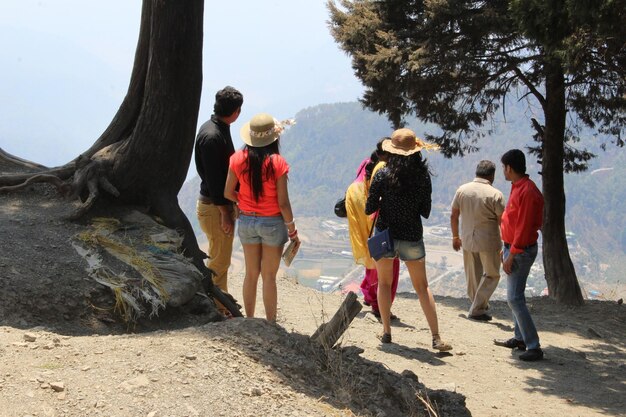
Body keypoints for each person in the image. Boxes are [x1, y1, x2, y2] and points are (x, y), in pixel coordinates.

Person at [365, 128, 452, 351]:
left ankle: (386, 332)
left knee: (384, 283)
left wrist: (382, 197)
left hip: (386, 235)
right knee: (422, 287)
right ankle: (435, 336)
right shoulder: (422, 177)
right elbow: (426, 211)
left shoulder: (382, 174)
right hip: (412, 235)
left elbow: (369, 208)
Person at [224, 113, 299, 322]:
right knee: (268, 277)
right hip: (273, 223)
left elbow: (228, 192)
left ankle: (249, 319)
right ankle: (271, 323)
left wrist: (241, 202)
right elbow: (283, 203)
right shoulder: (278, 163)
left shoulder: (237, 159)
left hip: (247, 221)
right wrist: (292, 230)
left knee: (251, 273)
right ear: (273, 138)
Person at [194, 86, 243, 315]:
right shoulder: (214, 136)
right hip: (215, 208)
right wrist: (226, 213)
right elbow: (215, 181)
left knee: (220, 259)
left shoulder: (216, 128)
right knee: (219, 262)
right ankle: (215, 308)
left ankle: (221, 306)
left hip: (215, 206)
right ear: (236, 111)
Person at [494, 149, 544, 361]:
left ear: (510, 168)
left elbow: (524, 228)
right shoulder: (518, 187)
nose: (503, 171)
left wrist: (512, 254)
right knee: (515, 296)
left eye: (504, 167)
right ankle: (520, 337)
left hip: (520, 250)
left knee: (514, 298)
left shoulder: (528, 192)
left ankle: (533, 345)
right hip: (512, 247)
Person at [346, 140, 400, 319]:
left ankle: (370, 294)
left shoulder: (368, 163)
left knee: (373, 254)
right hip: (371, 212)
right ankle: (380, 306)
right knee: (386, 260)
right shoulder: (384, 167)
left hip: (355, 202)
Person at [450, 160, 505, 321]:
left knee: (473, 275)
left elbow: (454, 215)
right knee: (492, 274)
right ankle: (478, 308)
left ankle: (477, 304)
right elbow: (502, 221)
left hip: (467, 239)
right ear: (492, 175)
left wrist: (455, 237)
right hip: (489, 241)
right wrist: (506, 242)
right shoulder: (495, 194)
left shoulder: (462, 190)